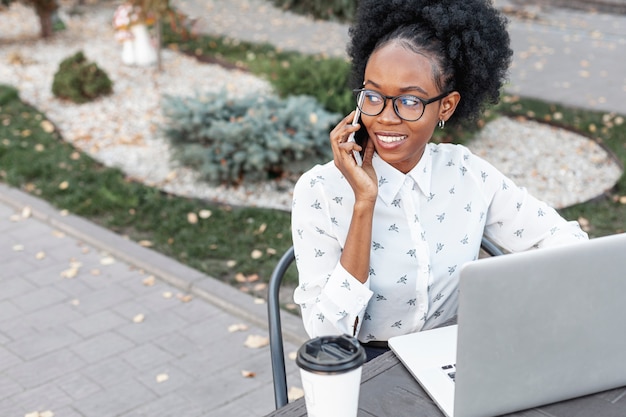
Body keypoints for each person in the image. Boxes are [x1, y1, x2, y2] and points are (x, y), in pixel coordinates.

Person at [290, 0, 588, 360]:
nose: (385, 118)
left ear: (445, 107)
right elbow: (326, 335)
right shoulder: (320, 191)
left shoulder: (466, 174)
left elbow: (565, 241)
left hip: (452, 356)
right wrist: (364, 204)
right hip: (360, 365)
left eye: (410, 102)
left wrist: (512, 306)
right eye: (373, 96)